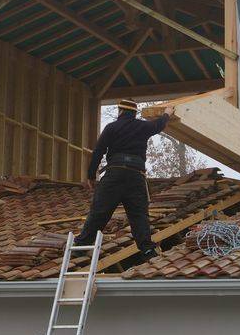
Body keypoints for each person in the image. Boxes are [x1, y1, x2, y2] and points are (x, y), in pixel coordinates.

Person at [75, 99, 175, 261]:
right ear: (134, 113)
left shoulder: (111, 128)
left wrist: (91, 176)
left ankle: (80, 246)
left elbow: (98, 151)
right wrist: (167, 113)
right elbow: (158, 125)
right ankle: (147, 250)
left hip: (114, 174)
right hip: (136, 176)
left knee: (99, 211)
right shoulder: (142, 127)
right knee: (139, 215)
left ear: (120, 111)